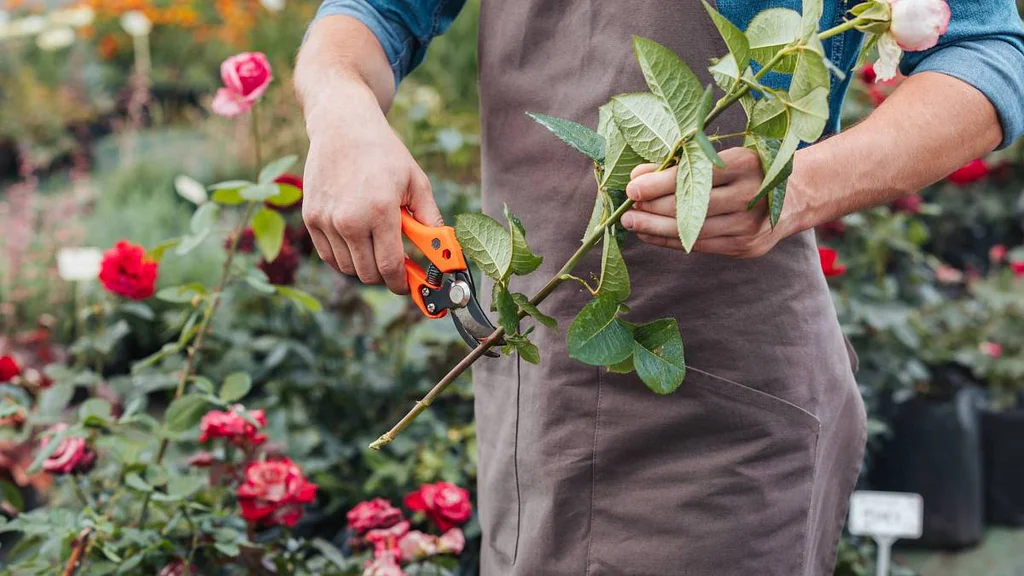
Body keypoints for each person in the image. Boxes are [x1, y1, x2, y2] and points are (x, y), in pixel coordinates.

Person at [295, 1, 1024, 574]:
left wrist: (797, 187)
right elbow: (377, 13)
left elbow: (987, 52)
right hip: (535, 396)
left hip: (722, 416)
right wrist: (339, 104)